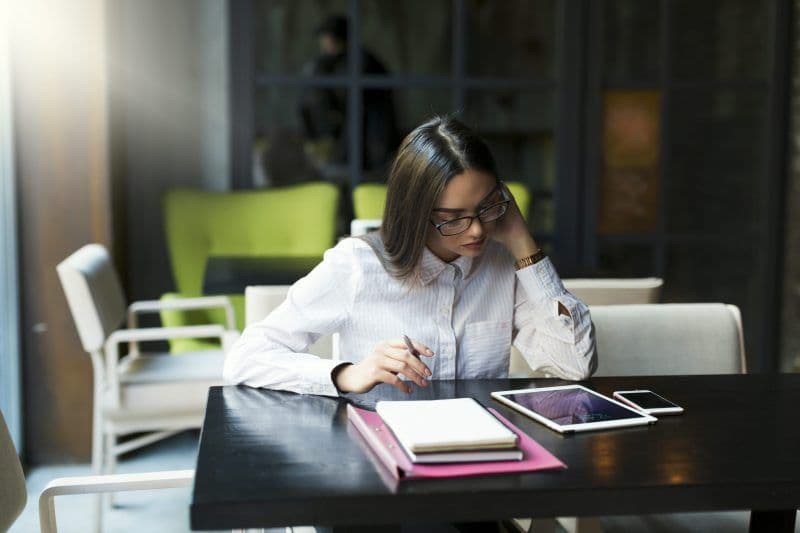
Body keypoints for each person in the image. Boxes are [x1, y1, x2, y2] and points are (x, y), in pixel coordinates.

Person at [224, 116, 597, 396]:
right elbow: (245, 358)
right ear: (416, 211)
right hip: (380, 462)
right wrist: (345, 373)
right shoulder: (356, 266)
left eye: (487, 207)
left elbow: (576, 365)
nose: (478, 230)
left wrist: (519, 237)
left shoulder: (502, 263)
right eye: (453, 219)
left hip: (484, 455)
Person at [298, 14, 399, 174]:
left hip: (369, 138)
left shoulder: (361, 62)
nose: (324, 43)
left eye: (328, 37)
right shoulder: (328, 63)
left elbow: (358, 103)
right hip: (349, 136)